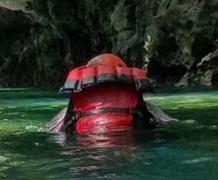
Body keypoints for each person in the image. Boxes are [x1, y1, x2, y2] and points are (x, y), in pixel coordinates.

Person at [45, 52, 174, 133]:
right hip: (129, 144)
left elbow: (52, 129)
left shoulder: (72, 107)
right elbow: (167, 122)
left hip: (86, 147)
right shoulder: (146, 106)